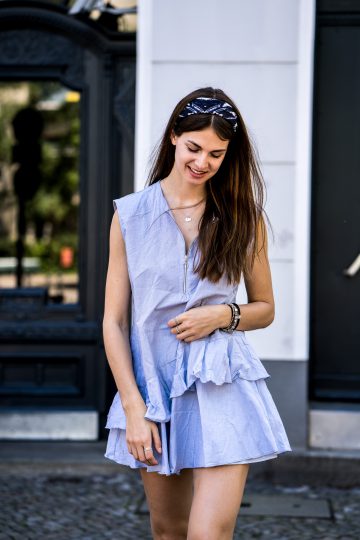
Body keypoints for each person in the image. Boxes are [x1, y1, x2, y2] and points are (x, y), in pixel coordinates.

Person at [103, 87, 291, 540]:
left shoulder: (244, 217)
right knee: (169, 531)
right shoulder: (129, 216)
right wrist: (134, 406)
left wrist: (221, 315)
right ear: (173, 137)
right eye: (194, 148)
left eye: (216, 153)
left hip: (223, 384)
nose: (203, 162)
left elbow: (264, 309)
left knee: (208, 534)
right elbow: (115, 321)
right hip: (155, 388)